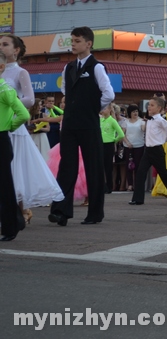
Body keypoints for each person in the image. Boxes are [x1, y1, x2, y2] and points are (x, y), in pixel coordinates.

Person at [48, 27, 114, 226]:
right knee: (66, 167)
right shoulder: (68, 67)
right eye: (72, 41)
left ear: (88, 43)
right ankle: (61, 212)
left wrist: (94, 108)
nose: (73, 44)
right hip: (69, 124)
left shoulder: (97, 67)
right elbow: (65, 90)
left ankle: (94, 213)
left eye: (77, 41)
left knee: (93, 168)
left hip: (89, 124)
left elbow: (109, 94)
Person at [0, 35, 64, 225]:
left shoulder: (20, 72)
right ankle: (15, 214)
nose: (1, 47)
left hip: (13, 125)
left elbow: (29, 98)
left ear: (16, 50)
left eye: (5, 44)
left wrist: (10, 104)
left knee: (15, 170)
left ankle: (19, 212)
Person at [129, 97, 167, 205]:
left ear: (159, 108)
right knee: (140, 173)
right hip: (148, 150)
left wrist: (162, 140)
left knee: (163, 173)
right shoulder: (149, 119)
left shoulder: (160, 120)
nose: (149, 107)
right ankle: (138, 199)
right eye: (148, 104)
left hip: (157, 150)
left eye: (152, 105)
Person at [0, 53, 30, 241]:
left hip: (1, 140)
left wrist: (8, 126)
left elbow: (24, 115)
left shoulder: (5, 90)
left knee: (4, 186)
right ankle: (15, 221)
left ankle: (11, 226)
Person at [100, 104, 124, 194]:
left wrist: (114, 140)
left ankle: (109, 186)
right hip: (100, 145)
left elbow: (121, 134)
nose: (103, 110)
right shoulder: (100, 120)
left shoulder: (112, 121)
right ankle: (101, 185)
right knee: (100, 166)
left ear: (110, 109)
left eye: (105, 108)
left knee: (108, 167)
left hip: (109, 145)